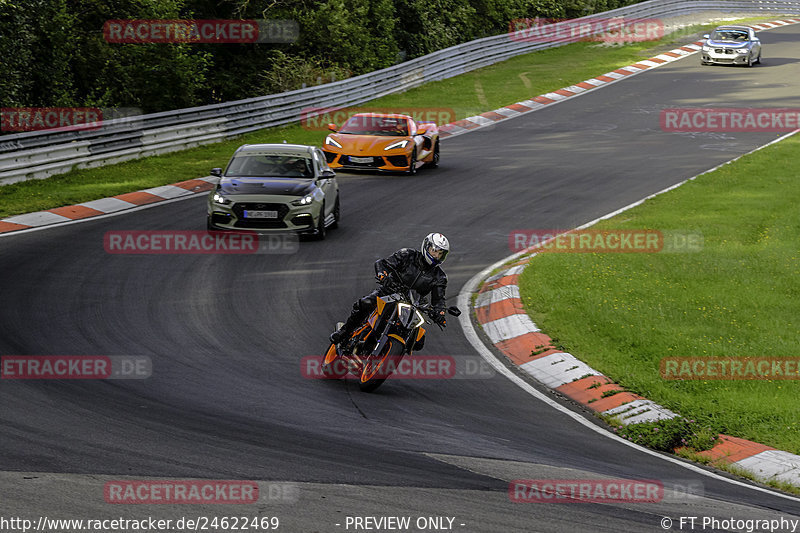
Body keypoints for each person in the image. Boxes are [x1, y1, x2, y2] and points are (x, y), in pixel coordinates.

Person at [330, 233, 450, 346]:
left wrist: (439, 313)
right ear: (426, 246)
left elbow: (439, 299)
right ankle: (343, 333)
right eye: (434, 251)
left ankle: (392, 356)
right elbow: (383, 263)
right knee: (365, 303)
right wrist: (383, 275)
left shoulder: (440, 277)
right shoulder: (407, 254)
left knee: (417, 340)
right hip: (389, 292)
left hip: (413, 305)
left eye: (440, 254)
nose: (436, 255)